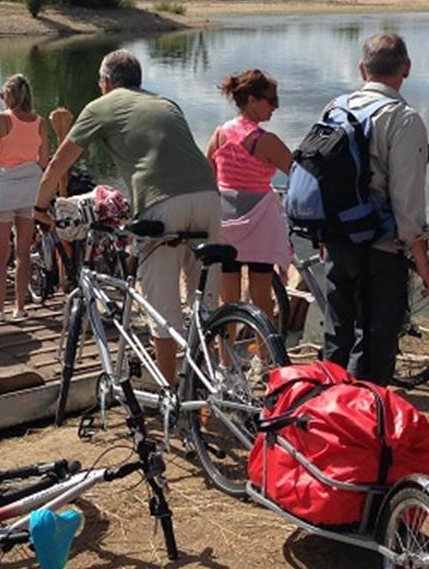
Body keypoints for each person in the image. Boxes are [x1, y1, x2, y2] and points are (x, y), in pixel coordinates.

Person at [35, 49, 220, 385]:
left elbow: (59, 163)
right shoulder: (166, 103)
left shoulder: (100, 106)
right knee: (203, 301)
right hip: (209, 197)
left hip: (163, 205)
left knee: (162, 310)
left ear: (105, 82)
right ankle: (212, 380)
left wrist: (38, 206)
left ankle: (170, 393)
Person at [320, 32, 429, 387]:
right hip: (380, 246)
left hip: (338, 241)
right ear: (407, 68)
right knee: (375, 341)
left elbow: (320, 177)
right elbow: (407, 202)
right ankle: (365, 420)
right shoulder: (403, 119)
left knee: (337, 333)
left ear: (362, 69)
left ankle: (330, 413)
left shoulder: (334, 108)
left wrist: (324, 235)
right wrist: (424, 262)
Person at [205, 69, 293, 326]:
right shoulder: (266, 141)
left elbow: (208, 176)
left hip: (225, 222)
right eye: (271, 100)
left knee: (228, 301)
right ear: (252, 100)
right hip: (259, 222)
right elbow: (300, 174)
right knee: (261, 296)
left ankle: (225, 362)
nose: (275, 107)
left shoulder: (220, 133)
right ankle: (263, 358)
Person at [0, 74, 50, 321]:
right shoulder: (39, 122)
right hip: (29, 190)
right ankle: (20, 307)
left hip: (4, 191)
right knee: (23, 253)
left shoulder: (1, 119)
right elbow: (43, 161)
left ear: (8, 95)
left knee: (0, 253)